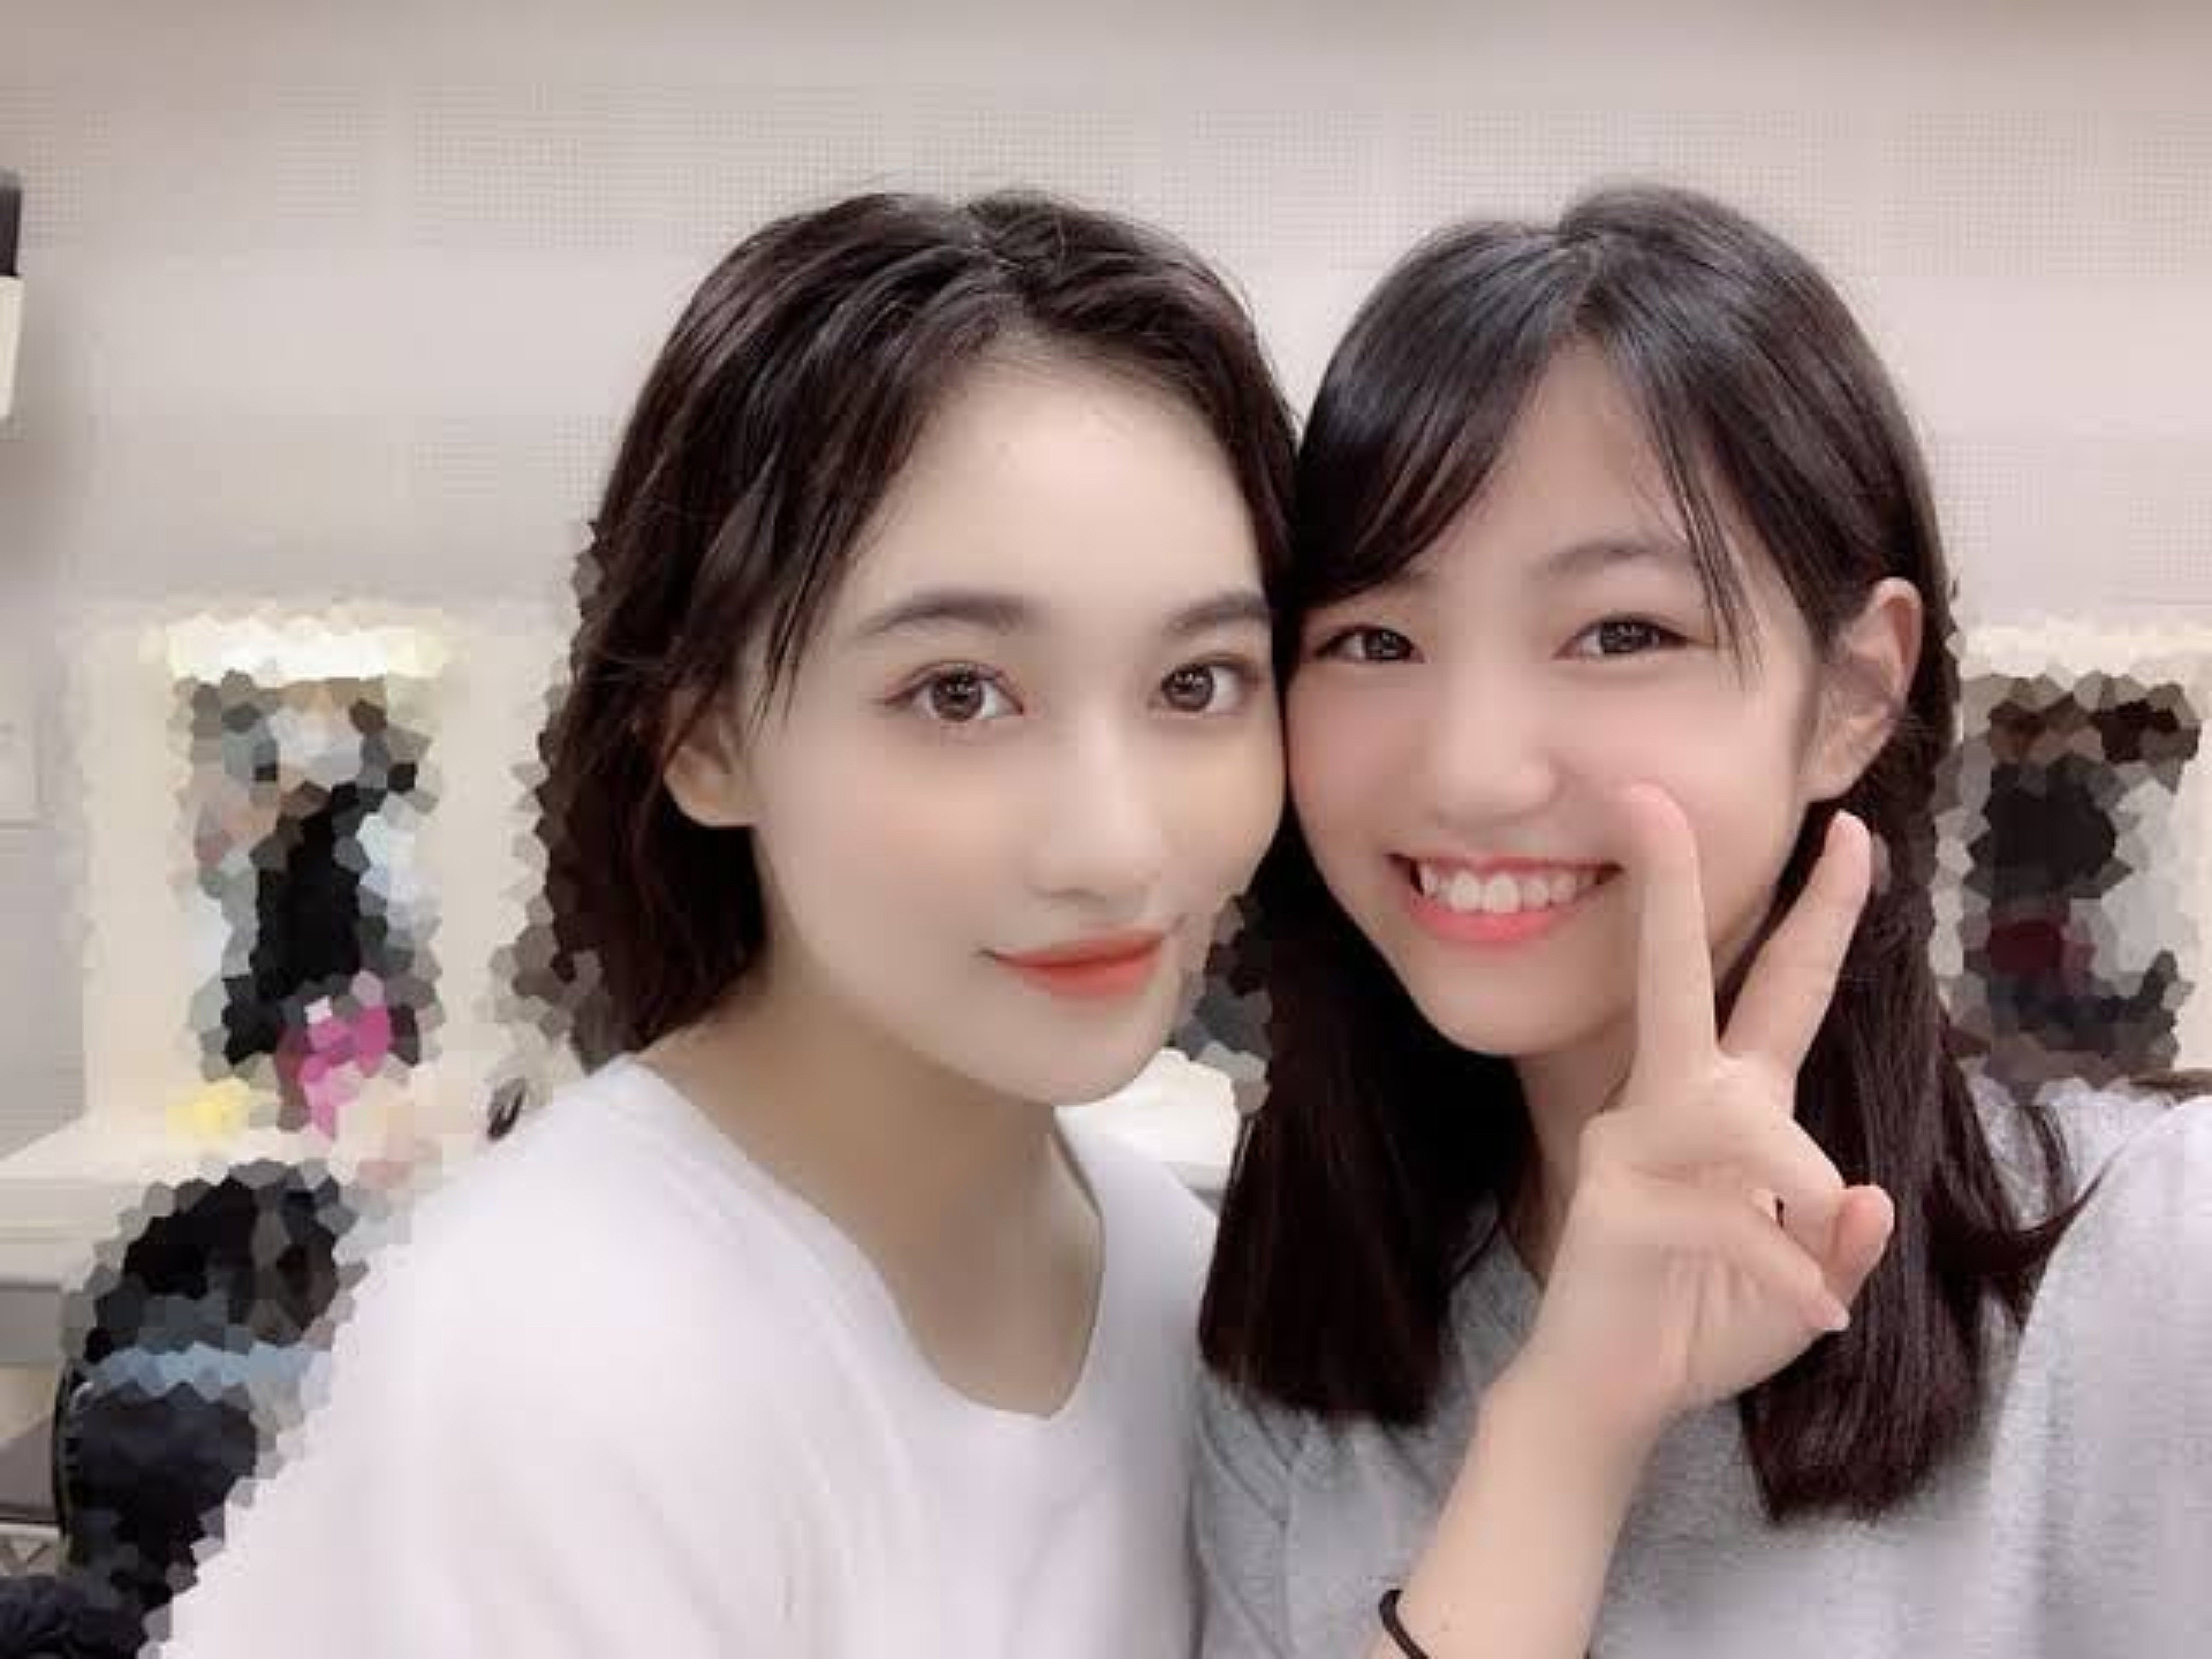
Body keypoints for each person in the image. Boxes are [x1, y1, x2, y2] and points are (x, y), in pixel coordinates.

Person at [151, 188, 1294, 1657]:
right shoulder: (561, 1352)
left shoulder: (1176, 1276)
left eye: (1199, 683)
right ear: (704, 739)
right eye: (959, 693)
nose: (1118, 846)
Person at [1194, 183, 2211, 1657]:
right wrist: (1567, 1428)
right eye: (1375, 638)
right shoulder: (1289, 1343)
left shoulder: (2156, 1262)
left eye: (1622, 634)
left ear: (1853, 692)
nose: (1470, 770)